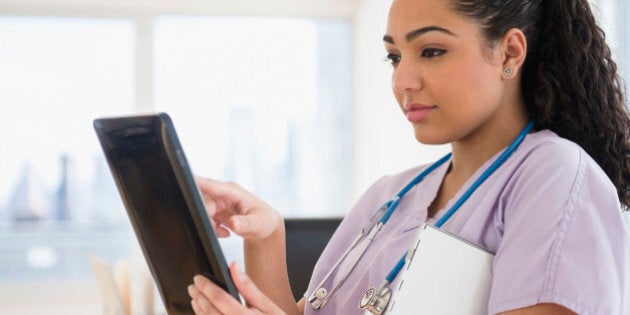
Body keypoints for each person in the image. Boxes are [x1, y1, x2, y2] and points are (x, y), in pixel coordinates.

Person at [187, 0, 630, 314]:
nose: (403, 80)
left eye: (431, 51)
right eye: (394, 57)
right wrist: (265, 239)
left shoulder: (554, 175)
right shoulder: (390, 195)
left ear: (509, 52)